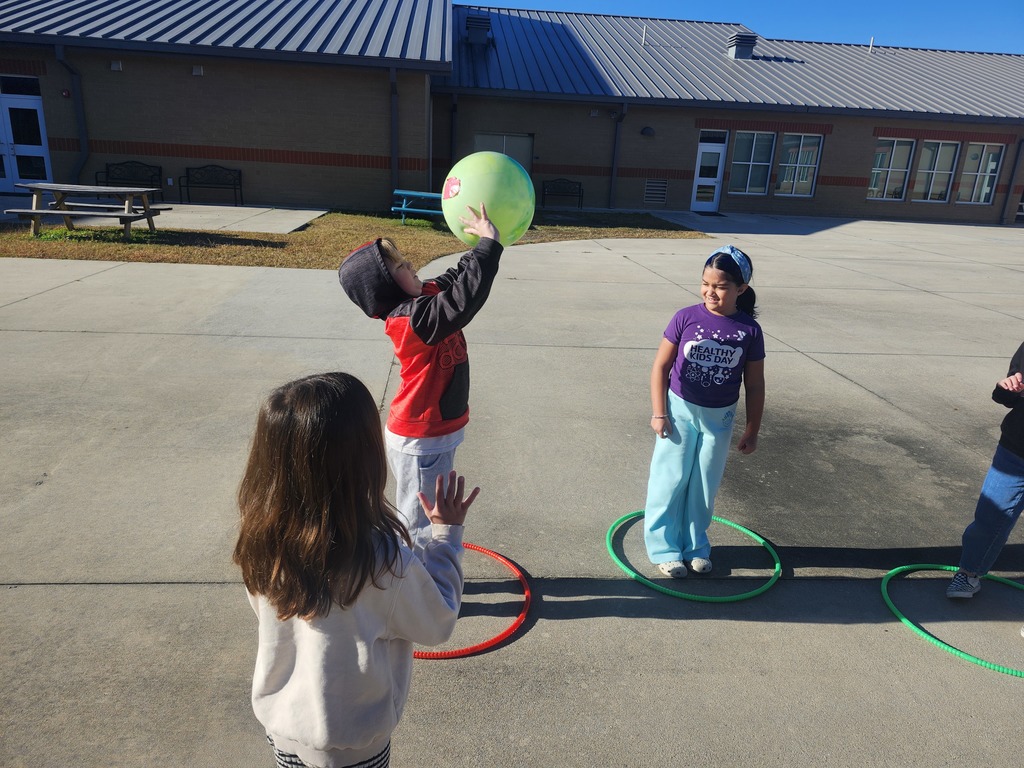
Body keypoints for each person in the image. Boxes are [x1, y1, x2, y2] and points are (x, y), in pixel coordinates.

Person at [233, 372, 480, 768]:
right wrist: (445, 539)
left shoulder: (262, 544)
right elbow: (437, 623)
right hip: (354, 743)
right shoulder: (382, 559)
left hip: (284, 727)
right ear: (364, 460)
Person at [338, 204, 501, 550]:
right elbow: (463, 300)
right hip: (421, 439)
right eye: (399, 266)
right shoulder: (410, 321)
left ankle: (424, 575)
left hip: (434, 433)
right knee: (421, 521)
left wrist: (477, 246)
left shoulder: (422, 298)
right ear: (384, 287)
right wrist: (489, 248)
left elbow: (456, 278)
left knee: (430, 511)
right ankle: (419, 586)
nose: (411, 265)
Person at [643, 245, 766, 578]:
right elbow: (661, 366)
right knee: (669, 480)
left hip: (720, 418)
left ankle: (695, 545)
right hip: (679, 410)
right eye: (705, 284)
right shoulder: (685, 317)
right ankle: (664, 548)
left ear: (741, 289)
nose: (710, 292)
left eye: (721, 286)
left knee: (703, 485)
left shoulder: (749, 331)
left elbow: (754, 385)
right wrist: (659, 413)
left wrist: (752, 429)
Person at [946, 341, 1024, 605]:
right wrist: (1007, 387)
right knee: (990, 517)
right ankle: (969, 573)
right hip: (1015, 450)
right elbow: (1006, 397)